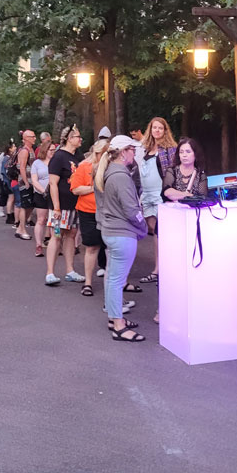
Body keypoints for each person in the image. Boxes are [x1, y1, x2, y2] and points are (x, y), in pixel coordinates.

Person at [96, 135, 148, 342]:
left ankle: (113, 318)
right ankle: (118, 324)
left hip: (111, 231)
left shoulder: (110, 172)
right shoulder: (121, 176)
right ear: (124, 151)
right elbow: (131, 209)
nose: (134, 154)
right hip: (122, 233)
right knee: (116, 281)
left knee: (112, 278)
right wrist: (143, 227)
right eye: (132, 150)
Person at [136, 117, 179, 285]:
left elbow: (174, 172)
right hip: (146, 193)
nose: (157, 131)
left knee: (162, 231)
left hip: (160, 193)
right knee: (154, 230)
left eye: (160, 128)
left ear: (165, 130)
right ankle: (160, 267)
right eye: (154, 128)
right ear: (150, 129)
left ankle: (161, 269)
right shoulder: (144, 149)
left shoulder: (170, 149)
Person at [45, 124, 85, 286]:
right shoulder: (59, 157)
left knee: (72, 235)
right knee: (57, 235)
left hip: (75, 204)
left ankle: (70, 270)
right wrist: (56, 207)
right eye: (77, 136)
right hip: (60, 205)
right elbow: (53, 183)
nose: (80, 139)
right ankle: (50, 272)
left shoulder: (79, 157)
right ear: (69, 138)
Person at [70, 139, 110, 295]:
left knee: (109, 247)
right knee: (91, 247)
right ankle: (88, 283)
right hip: (88, 211)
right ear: (97, 153)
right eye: (104, 154)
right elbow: (75, 189)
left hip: (107, 212)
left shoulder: (110, 168)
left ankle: (114, 283)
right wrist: (94, 188)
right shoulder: (84, 166)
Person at [161, 137, 208, 201]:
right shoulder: (172, 171)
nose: (184, 155)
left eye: (188, 152)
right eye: (181, 152)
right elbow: (167, 192)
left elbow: (202, 198)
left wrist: (178, 195)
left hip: (193, 210)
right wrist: (187, 195)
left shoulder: (200, 174)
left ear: (195, 154)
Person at [31, 143, 55, 257]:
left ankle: (55, 244)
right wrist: (43, 191)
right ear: (45, 150)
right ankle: (38, 245)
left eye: (54, 150)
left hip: (55, 194)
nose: (53, 152)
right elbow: (34, 180)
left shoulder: (56, 162)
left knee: (54, 221)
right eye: (51, 150)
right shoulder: (37, 163)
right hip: (41, 194)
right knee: (41, 219)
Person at [13, 130, 37, 240]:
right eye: (32, 136)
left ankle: (21, 228)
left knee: (30, 205)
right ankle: (21, 229)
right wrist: (26, 182)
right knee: (24, 206)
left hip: (32, 182)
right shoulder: (24, 151)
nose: (34, 138)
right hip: (25, 182)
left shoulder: (31, 149)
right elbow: (21, 167)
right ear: (26, 138)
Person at [0, 141, 16, 222]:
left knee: (12, 198)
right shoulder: (6, 158)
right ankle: (9, 215)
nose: (15, 148)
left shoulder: (10, 158)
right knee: (11, 198)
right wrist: (9, 179)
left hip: (7, 180)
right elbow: (5, 171)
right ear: (10, 149)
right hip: (7, 181)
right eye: (14, 147)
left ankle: (11, 213)